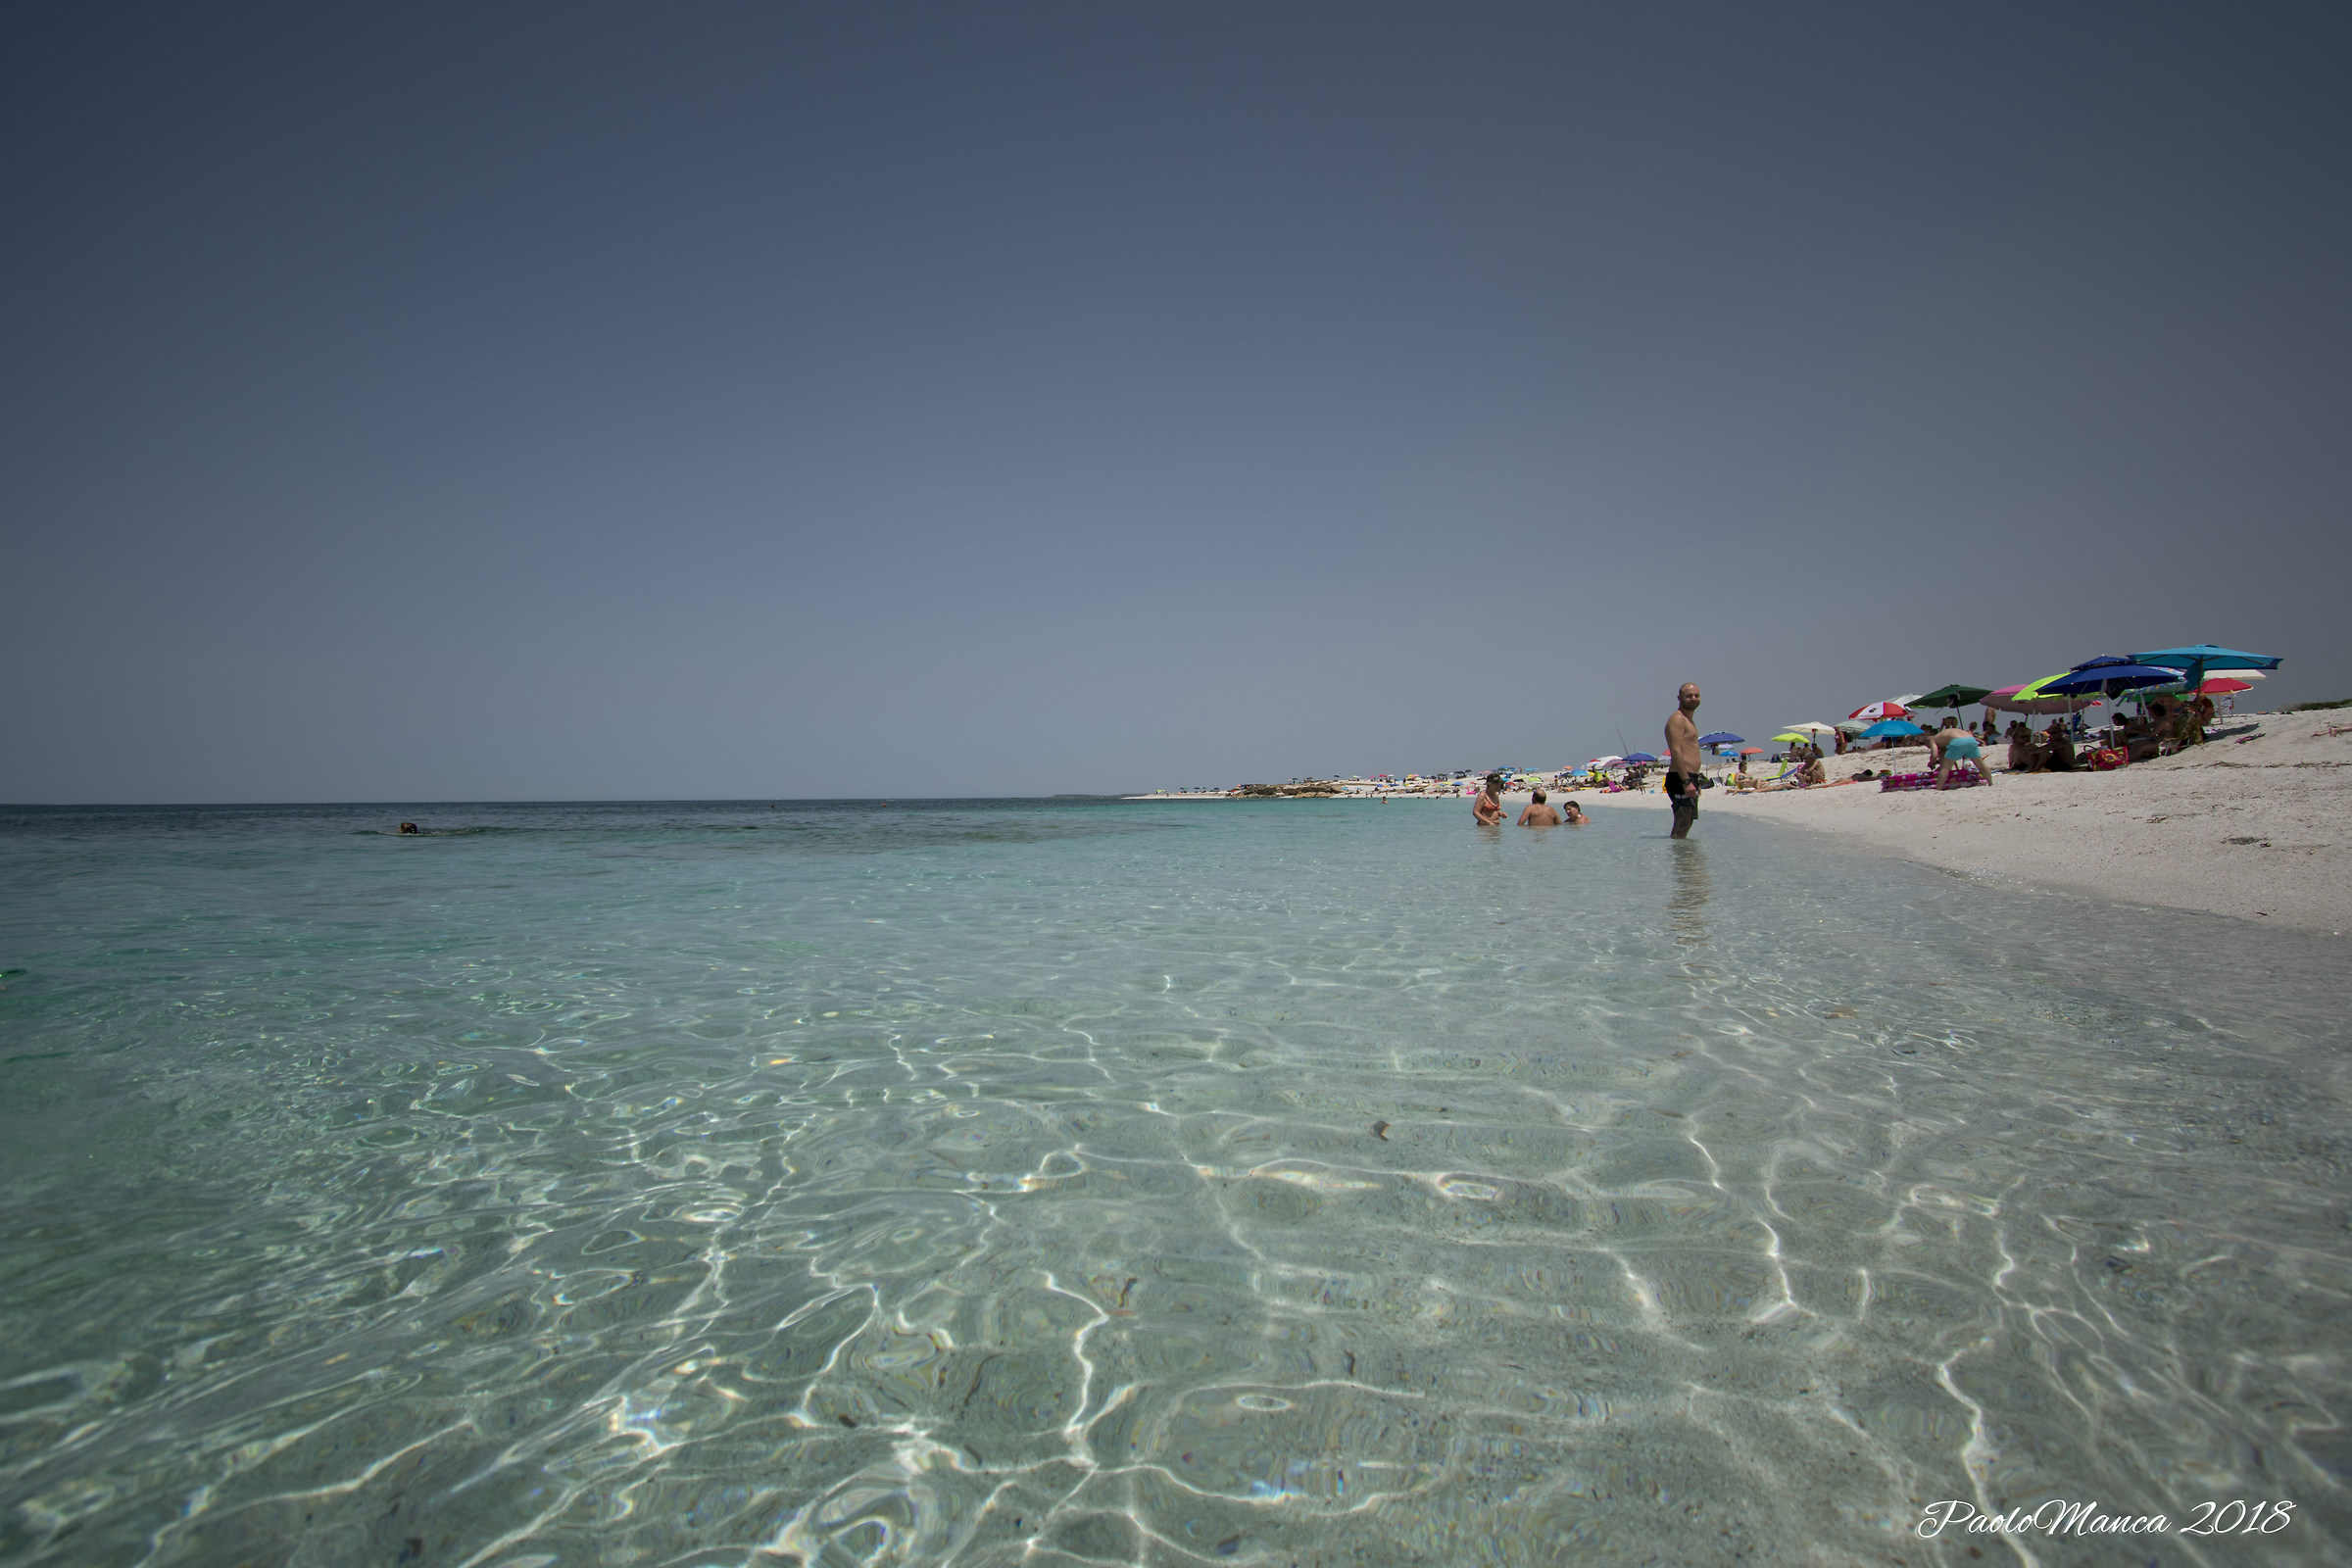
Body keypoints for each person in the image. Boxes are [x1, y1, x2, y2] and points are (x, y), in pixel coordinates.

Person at [1664, 681, 1703, 838]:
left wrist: (1694, 780)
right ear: (1679, 698)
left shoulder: (1688, 720)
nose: (1693, 698)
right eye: (1689, 696)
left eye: (1696, 695)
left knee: (1687, 822)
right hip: (1680, 778)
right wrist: (1686, 781)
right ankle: (1678, 854)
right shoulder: (1677, 719)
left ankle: (1683, 854)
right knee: (1682, 825)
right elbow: (1676, 750)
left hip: (1689, 777)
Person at [1933, 718, 1992, 789]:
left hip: (1957, 741)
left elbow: (1934, 754)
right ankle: (1991, 783)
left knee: (1945, 768)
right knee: (1981, 765)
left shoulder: (1932, 739)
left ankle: (1938, 788)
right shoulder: (1953, 731)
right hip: (1971, 740)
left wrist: (1931, 762)